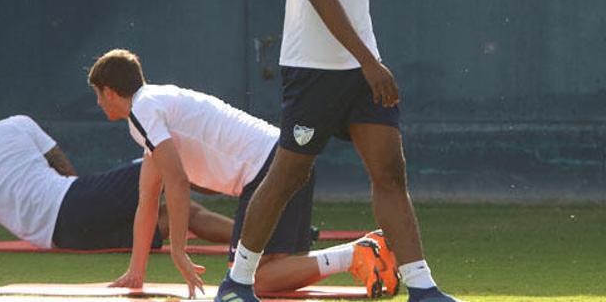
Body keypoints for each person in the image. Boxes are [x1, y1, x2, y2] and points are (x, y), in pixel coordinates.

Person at [214, 0, 463, 302]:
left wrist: (369, 61)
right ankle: (237, 282)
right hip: (314, 69)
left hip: (358, 67)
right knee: (290, 173)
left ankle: (422, 288)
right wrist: (370, 62)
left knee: (390, 171)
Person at [88, 48, 394, 298]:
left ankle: (357, 252)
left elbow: (178, 182)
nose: (99, 103)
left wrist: (178, 251)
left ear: (111, 92)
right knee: (275, 272)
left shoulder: (143, 109)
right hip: (284, 159)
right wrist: (136, 273)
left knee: (251, 280)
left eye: (99, 95)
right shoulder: (155, 105)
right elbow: (149, 197)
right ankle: (361, 253)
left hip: (267, 168)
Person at [0, 82, 232, 251]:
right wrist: (86, 196)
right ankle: (247, 190)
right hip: (74, 200)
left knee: (174, 217)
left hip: (62, 240)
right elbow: (59, 161)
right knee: (166, 163)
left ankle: (253, 242)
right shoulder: (17, 124)